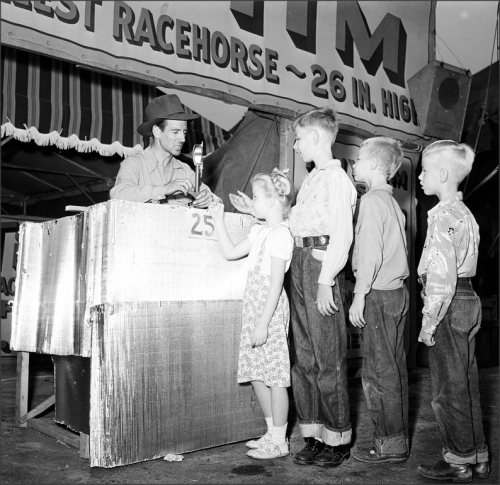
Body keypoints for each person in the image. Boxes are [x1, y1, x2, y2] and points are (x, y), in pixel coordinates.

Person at [230, 106, 357, 467]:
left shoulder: (337, 180)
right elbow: (293, 223)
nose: (297, 146)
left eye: (299, 139)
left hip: (319, 267)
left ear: (315, 137)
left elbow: (341, 236)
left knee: (327, 358)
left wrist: (326, 280)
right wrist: (263, 211)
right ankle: (314, 435)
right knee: (303, 359)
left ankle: (338, 439)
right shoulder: (314, 179)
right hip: (300, 265)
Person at [208, 168, 295, 460]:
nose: (253, 201)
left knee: (275, 377)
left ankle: (281, 440)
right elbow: (230, 252)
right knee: (257, 374)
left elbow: (276, 284)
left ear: (272, 202)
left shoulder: (281, 235)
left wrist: (263, 323)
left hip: (268, 310)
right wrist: (218, 220)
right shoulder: (261, 231)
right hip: (254, 308)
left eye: (257, 197)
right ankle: (271, 431)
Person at [416, 140, 490, 482]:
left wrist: (428, 323)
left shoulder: (443, 216)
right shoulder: (465, 214)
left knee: (448, 388)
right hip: (469, 299)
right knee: (467, 383)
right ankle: (478, 456)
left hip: (448, 301)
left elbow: (441, 278)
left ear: (442, 174)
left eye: (425, 170)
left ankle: (457, 460)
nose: (419, 176)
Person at [347, 137, 410, 464]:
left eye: (358, 159)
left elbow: (370, 256)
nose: (354, 164)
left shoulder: (371, 202)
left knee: (376, 372)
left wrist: (359, 295)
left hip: (379, 295)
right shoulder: (393, 204)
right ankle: (396, 438)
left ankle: (389, 445)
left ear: (372, 165)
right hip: (397, 293)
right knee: (394, 368)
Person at [110, 94, 217, 208]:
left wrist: (208, 199)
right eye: (175, 132)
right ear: (156, 132)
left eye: (184, 132)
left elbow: (216, 200)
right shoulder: (134, 164)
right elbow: (117, 195)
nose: (183, 139)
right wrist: (164, 189)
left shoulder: (185, 171)